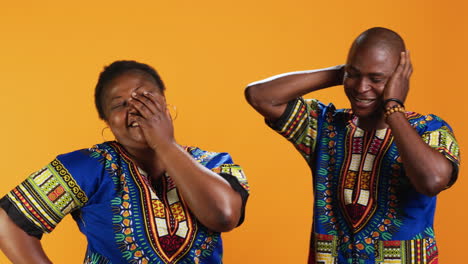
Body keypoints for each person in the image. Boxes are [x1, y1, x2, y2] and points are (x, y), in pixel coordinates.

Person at [245, 27, 459, 263]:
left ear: (399, 79)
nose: (360, 87)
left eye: (376, 79)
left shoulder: (428, 129)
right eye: (354, 75)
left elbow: (432, 181)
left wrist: (394, 108)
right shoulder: (325, 126)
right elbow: (260, 96)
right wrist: (341, 73)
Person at [0, 60, 249, 264]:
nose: (134, 109)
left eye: (144, 98)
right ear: (108, 122)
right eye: (119, 105)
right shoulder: (90, 166)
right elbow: (7, 221)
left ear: (163, 102)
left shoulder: (213, 163)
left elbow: (224, 216)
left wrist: (165, 144)